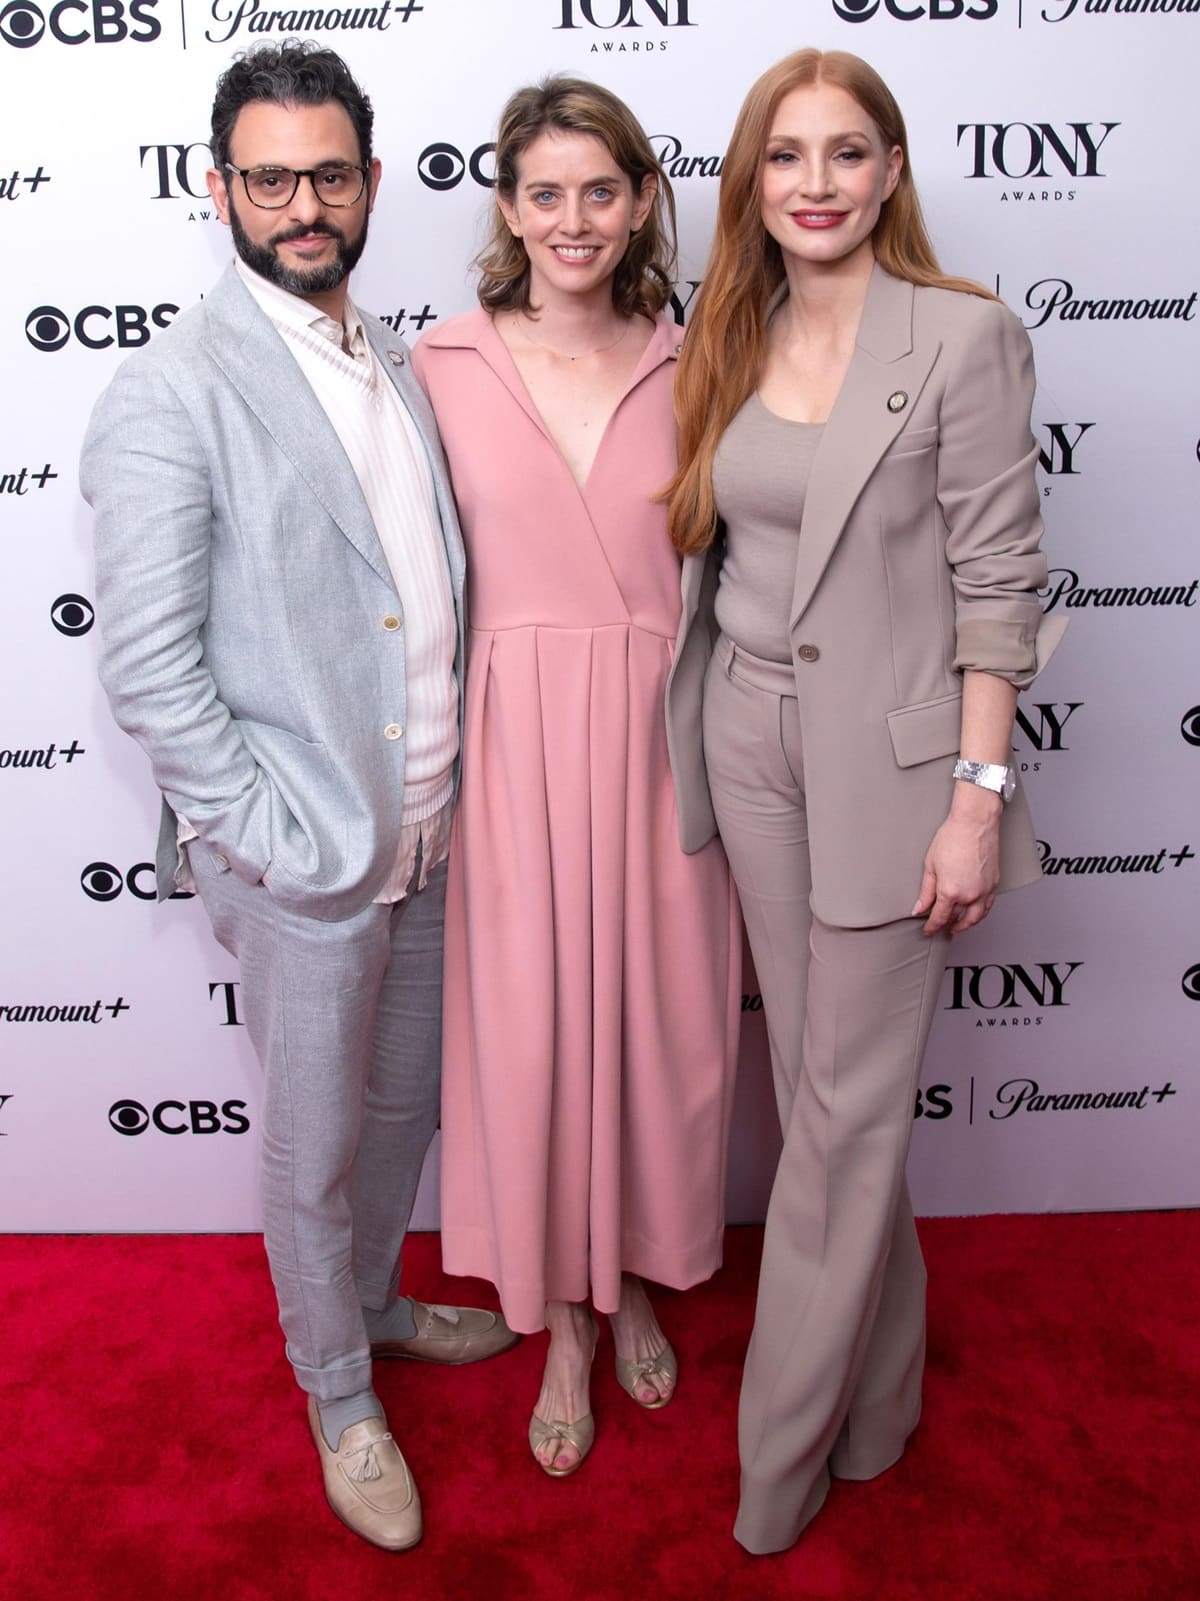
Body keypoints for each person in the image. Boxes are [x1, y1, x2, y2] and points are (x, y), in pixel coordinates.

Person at [80, 43, 516, 1553]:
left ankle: (380, 1302)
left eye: (330, 173)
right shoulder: (170, 390)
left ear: (372, 183)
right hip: (308, 852)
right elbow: (147, 663)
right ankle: (337, 1390)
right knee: (315, 1129)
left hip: (439, 822)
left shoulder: (395, 355)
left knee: (403, 1102)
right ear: (221, 190)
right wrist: (262, 837)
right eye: (270, 177)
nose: (304, 204)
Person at [664, 49, 1066, 1553]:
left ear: (892, 171)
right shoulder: (730, 322)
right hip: (750, 741)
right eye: (787, 156)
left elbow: (998, 587)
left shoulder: (962, 339)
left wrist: (977, 797)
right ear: (751, 183)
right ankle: (886, 1400)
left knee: (839, 1116)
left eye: (846, 153)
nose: (816, 184)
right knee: (826, 1099)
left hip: (899, 773)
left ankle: (777, 1466)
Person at [412, 77, 741, 1477]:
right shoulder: (438, 363)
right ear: (505, 205)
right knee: (539, 1028)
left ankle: (646, 1272)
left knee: (658, 1022)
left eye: (600, 190)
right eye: (544, 192)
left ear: (645, 199)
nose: (573, 219)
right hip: (512, 738)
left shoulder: (704, 356)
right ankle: (561, 1319)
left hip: (665, 726)